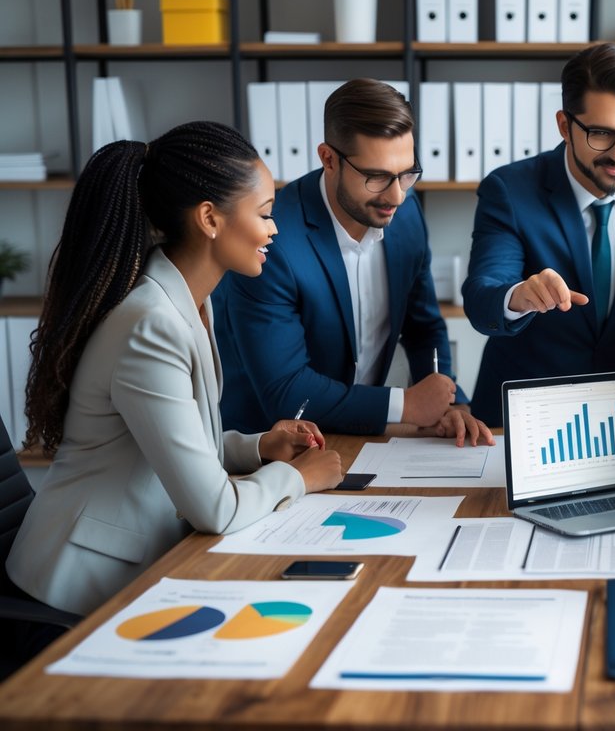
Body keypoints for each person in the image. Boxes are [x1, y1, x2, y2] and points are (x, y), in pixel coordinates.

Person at [8, 122, 343, 616]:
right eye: (265, 214)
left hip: (135, 565)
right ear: (210, 218)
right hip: (70, 596)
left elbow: (174, 442)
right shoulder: (150, 324)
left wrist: (258, 447)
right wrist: (298, 477)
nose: (274, 229)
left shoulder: (186, 301)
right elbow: (215, 508)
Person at [213, 79, 492, 444]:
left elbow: (424, 327)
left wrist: (450, 403)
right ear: (329, 158)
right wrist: (406, 405)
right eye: (376, 177)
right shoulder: (271, 238)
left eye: (407, 173)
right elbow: (286, 389)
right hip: (265, 448)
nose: (396, 195)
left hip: (360, 438)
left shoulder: (405, 217)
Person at [462, 43, 615, 426]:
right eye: (602, 134)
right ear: (564, 125)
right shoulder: (509, 190)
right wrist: (517, 297)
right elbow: (481, 295)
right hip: (517, 420)